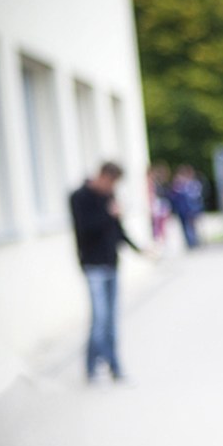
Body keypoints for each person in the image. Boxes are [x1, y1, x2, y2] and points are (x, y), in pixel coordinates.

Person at [69, 161, 140, 383]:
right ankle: (95, 368)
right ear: (102, 176)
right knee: (99, 320)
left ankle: (113, 367)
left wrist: (140, 249)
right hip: (93, 266)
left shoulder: (110, 197)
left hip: (112, 264)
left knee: (110, 322)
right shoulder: (80, 197)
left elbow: (118, 231)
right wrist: (109, 214)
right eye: (111, 182)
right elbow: (85, 230)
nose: (112, 187)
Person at [169, 164, 203, 249]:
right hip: (182, 210)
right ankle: (190, 243)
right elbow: (173, 197)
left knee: (191, 226)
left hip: (191, 209)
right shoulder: (178, 186)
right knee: (185, 227)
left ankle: (193, 242)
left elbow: (195, 197)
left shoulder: (192, 184)